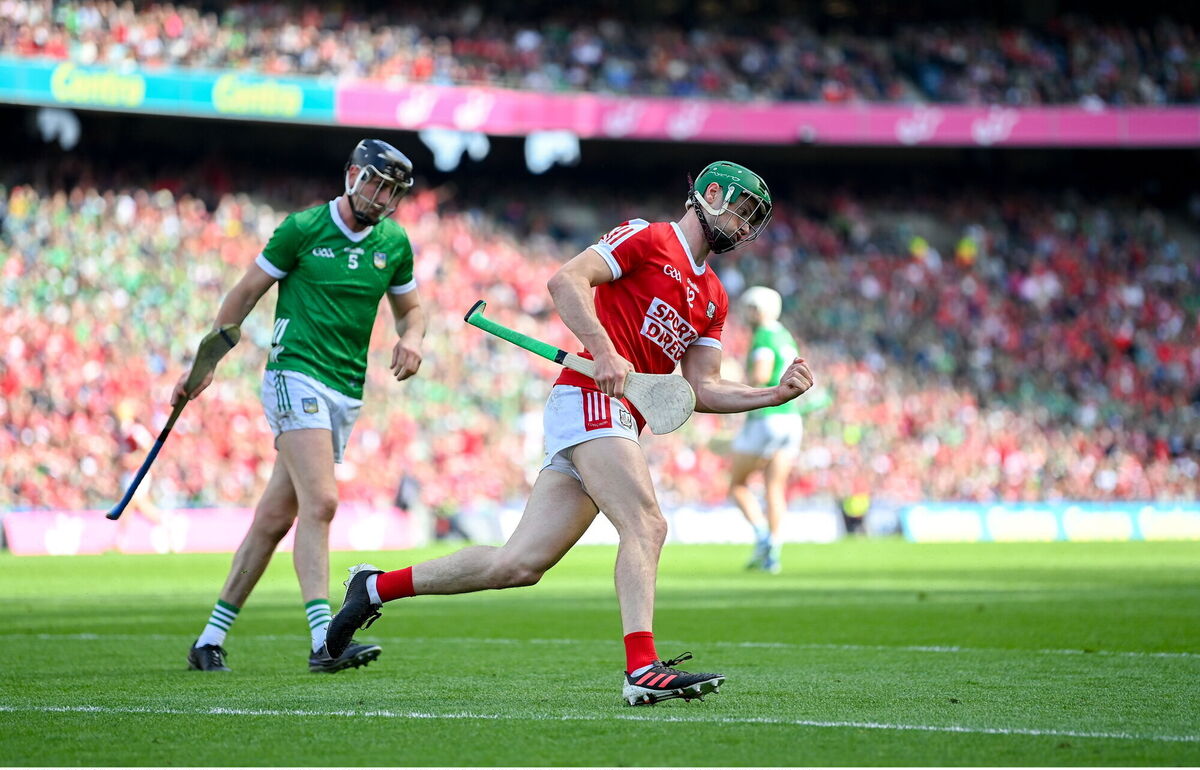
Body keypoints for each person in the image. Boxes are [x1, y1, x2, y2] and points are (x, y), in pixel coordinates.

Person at [324, 161, 815, 705]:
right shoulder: (648, 237)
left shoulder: (715, 298)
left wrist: (772, 395)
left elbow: (700, 388)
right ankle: (642, 667)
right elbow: (566, 279)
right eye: (741, 211)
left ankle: (373, 586)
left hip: (617, 417)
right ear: (711, 194)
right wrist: (605, 350)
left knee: (519, 564)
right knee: (647, 524)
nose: (745, 227)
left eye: (753, 221)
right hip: (588, 400)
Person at [176, 139, 426, 674]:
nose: (382, 198)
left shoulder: (394, 243)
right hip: (295, 374)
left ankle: (208, 640)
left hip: (345, 390)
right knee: (323, 502)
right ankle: (324, 641)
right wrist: (206, 363)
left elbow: (412, 309)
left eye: (393, 192)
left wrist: (414, 338)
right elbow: (245, 294)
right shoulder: (302, 229)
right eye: (376, 184)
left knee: (273, 519)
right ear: (352, 175)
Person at [728, 286, 803, 573]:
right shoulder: (785, 335)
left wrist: (736, 378)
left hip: (765, 418)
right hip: (790, 419)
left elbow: (760, 375)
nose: (747, 314)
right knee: (775, 486)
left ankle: (762, 537)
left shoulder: (763, 335)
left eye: (750, 308)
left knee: (738, 484)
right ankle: (774, 551)